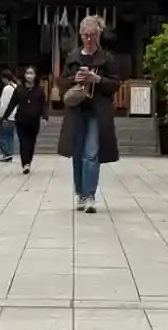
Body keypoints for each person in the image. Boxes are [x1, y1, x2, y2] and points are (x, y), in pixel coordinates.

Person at [58, 14, 119, 213]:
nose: (89, 39)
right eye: (86, 35)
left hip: (97, 112)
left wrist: (97, 79)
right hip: (77, 111)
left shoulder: (106, 58)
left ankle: (90, 196)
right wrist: (74, 79)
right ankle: (81, 194)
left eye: (93, 35)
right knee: (77, 153)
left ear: (99, 35)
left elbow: (115, 84)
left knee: (91, 153)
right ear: (80, 35)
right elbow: (61, 82)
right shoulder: (73, 56)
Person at [10, 68, 48, 173]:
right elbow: (12, 104)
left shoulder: (39, 90)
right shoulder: (19, 89)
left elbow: (43, 105)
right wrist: (4, 117)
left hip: (34, 121)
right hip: (21, 120)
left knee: (31, 142)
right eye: (27, 73)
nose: (29, 76)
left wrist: (45, 117)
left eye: (31, 73)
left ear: (35, 75)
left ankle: (28, 161)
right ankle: (25, 164)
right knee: (23, 142)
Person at [0, 69, 20, 162]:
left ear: (5, 78)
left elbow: (4, 104)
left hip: (6, 116)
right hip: (15, 116)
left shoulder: (7, 88)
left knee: (2, 135)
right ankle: (10, 153)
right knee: (10, 136)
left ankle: (7, 153)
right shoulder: (17, 87)